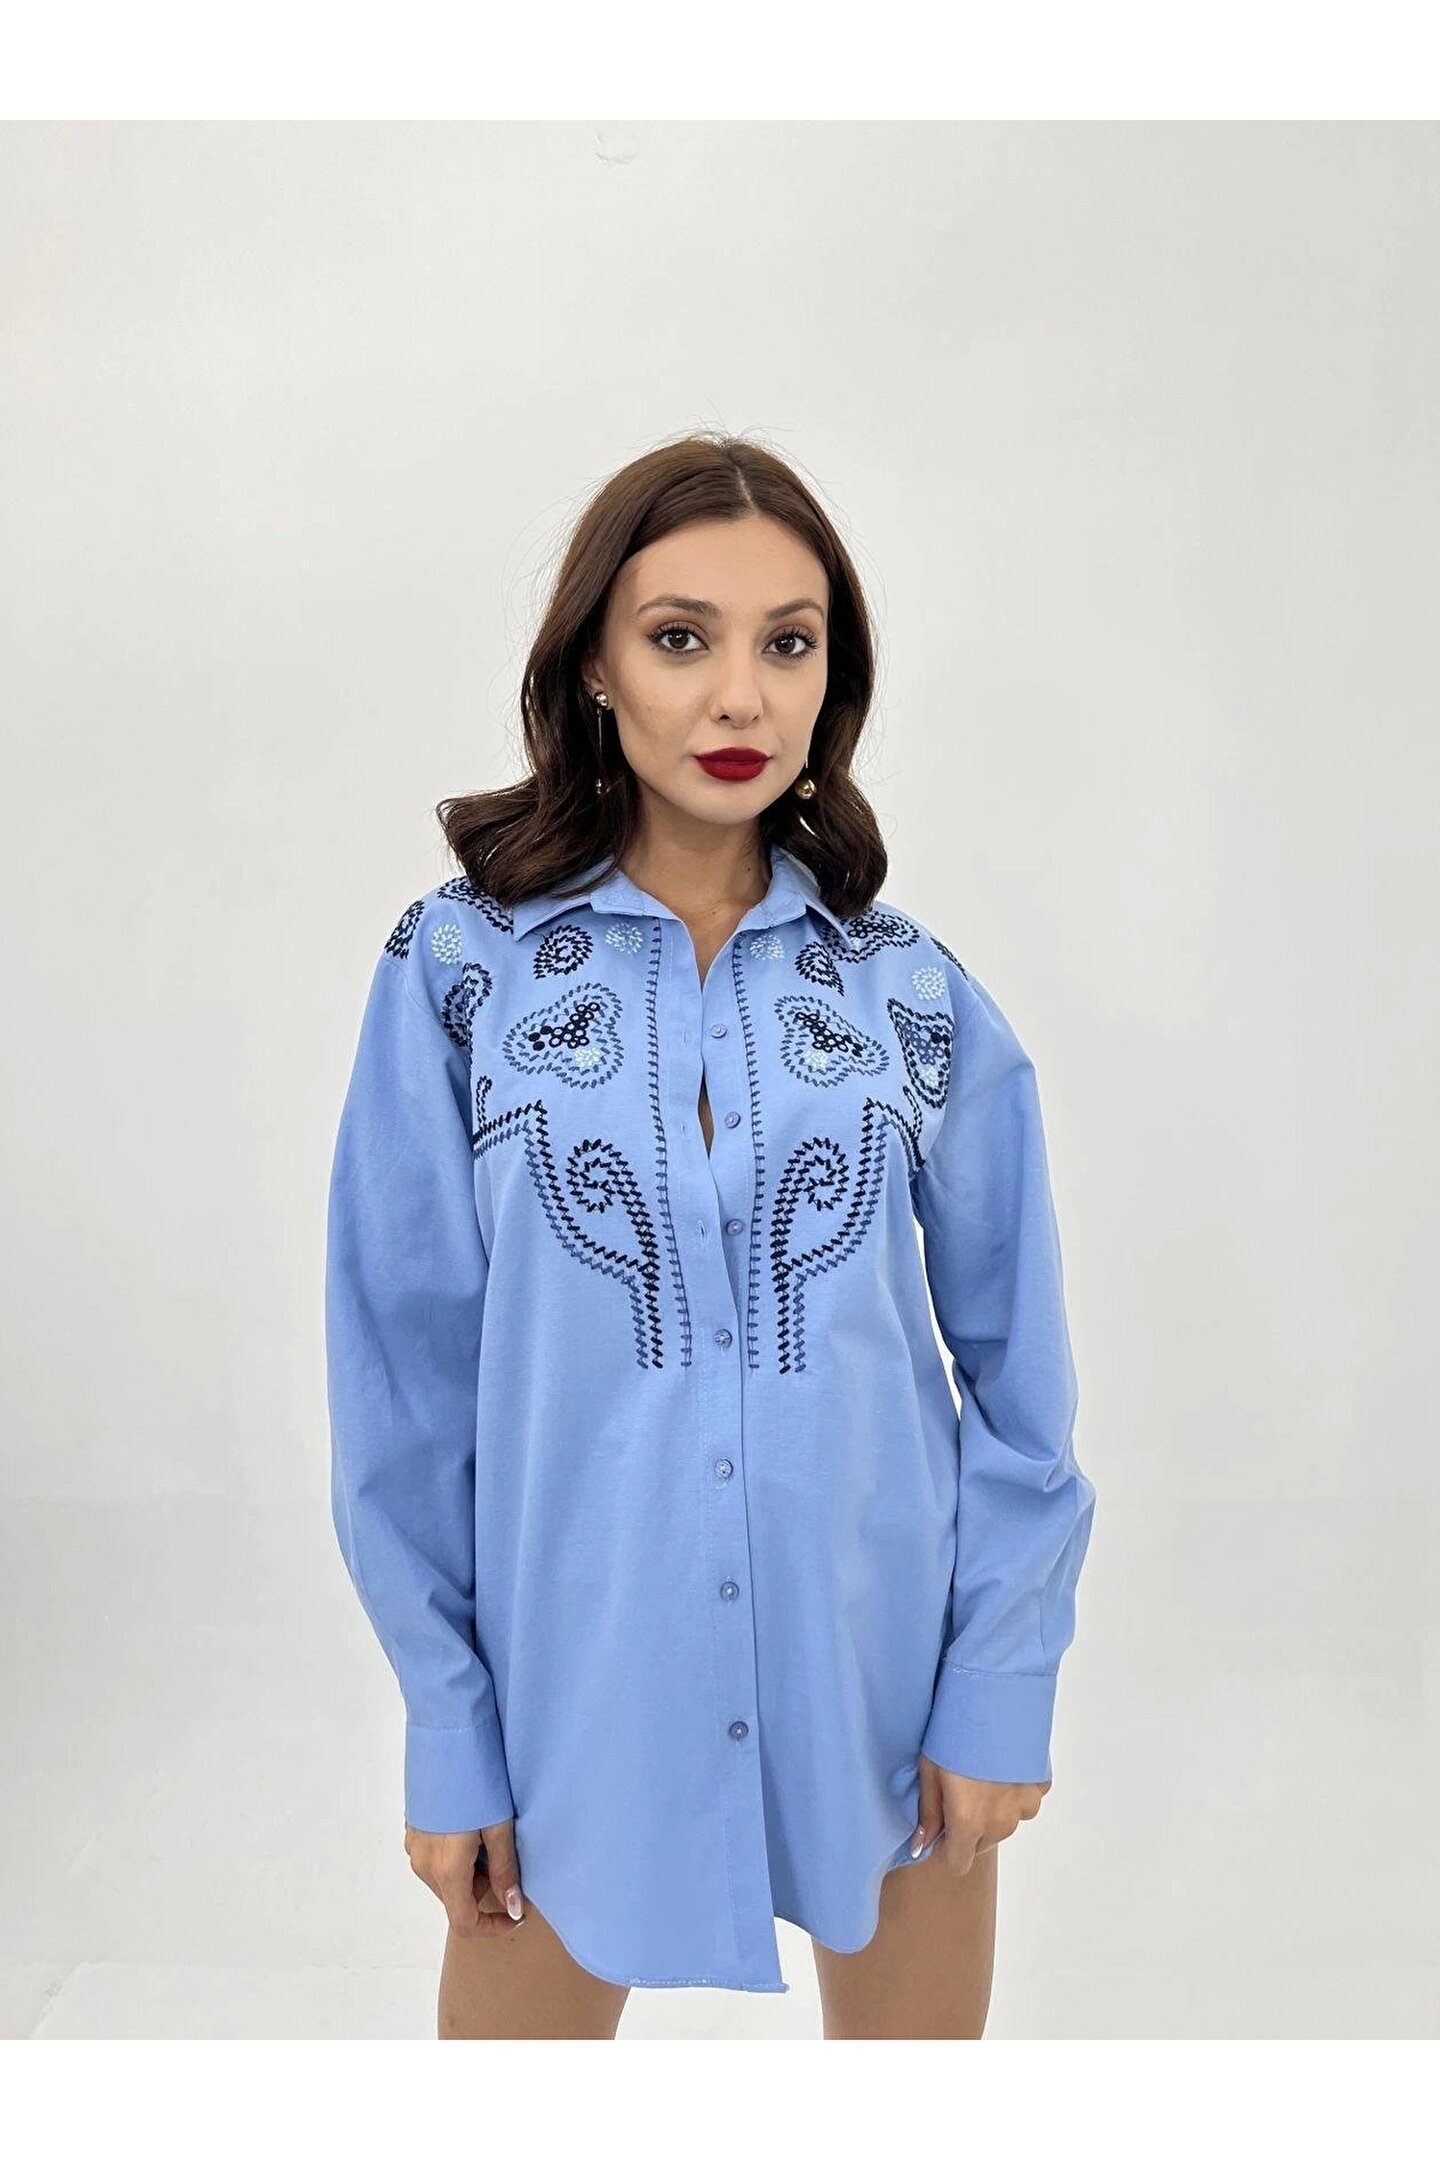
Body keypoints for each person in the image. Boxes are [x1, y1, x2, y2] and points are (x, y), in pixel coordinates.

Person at [324, 432, 1096, 2040]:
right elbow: (403, 1386)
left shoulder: (910, 990)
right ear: (595, 665)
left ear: (832, 679)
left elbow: (1022, 1380)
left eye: (787, 643)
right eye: (682, 637)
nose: (741, 696)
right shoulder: (461, 972)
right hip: (575, 1698)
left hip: (888, 1693)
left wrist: (997, 1682)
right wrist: (452, 1727)